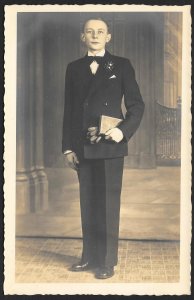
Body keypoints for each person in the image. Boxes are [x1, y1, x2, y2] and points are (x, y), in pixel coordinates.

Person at [62, 18, 144, 279]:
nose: (95, 35)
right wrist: (67, 148)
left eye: (100, 32)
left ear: (108, 37)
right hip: (83, 147)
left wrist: (121, 132)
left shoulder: (121, 65)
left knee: (108, 204)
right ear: (82, 37)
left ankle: (107, 261)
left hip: (110, 146)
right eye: (89, 31)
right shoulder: (73, 68)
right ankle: (88, 257)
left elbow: (136, 106)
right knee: (88, 203)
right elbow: (70, 112)